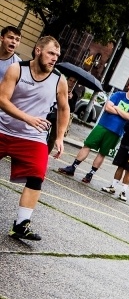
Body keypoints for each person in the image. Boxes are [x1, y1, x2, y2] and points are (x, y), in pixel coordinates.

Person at [0, 36, 69, 241]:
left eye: (57, 55)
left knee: (37, 175)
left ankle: (21, 225)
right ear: (38, 51)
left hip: (33, 137)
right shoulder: (17, 69)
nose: (54, 58)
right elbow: (2, 99)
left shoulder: (59, 80)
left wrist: (60, 137)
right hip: (3, 128)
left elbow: (64, 108)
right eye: (51, 53)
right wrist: (28, 118)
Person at [57, 78, 129, 183]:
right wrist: (123, 113)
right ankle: (73, 167)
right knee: (87, 145)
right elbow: (107, 108)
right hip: (102, 125)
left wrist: (117, 108)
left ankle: (90, 174)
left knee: (102, 153)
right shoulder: (118, 94)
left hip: (116, 132)